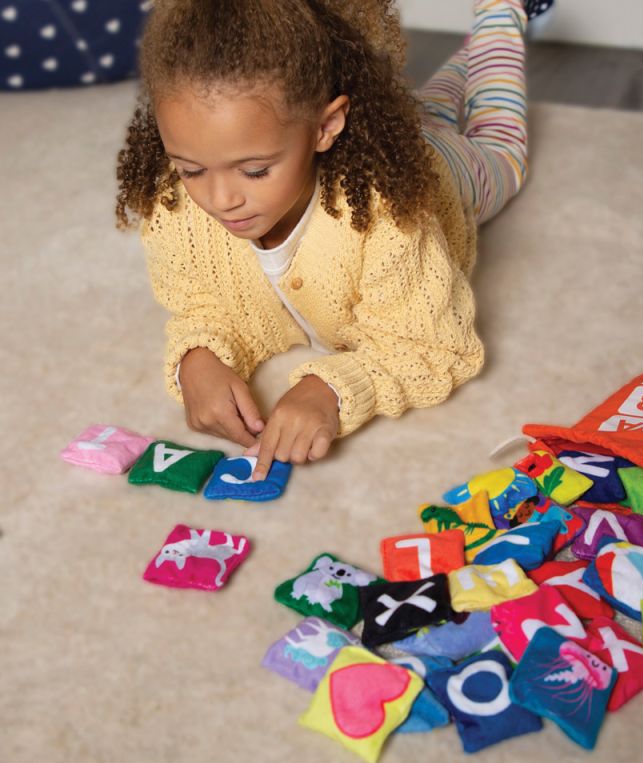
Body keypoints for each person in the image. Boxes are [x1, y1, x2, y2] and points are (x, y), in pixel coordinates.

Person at [116, 0, 549, 480]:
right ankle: (467, 59)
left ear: (326, 127)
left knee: (500, 145)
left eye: (255, 170)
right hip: (386, 133)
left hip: (438, 171)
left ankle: (500, 14)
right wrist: (197, 359)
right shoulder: (174, 206)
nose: (220, 199)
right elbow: (204, 306)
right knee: (424, 107)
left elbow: (431, 346)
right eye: (191, 169)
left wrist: (331, 391)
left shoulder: (391, 213)